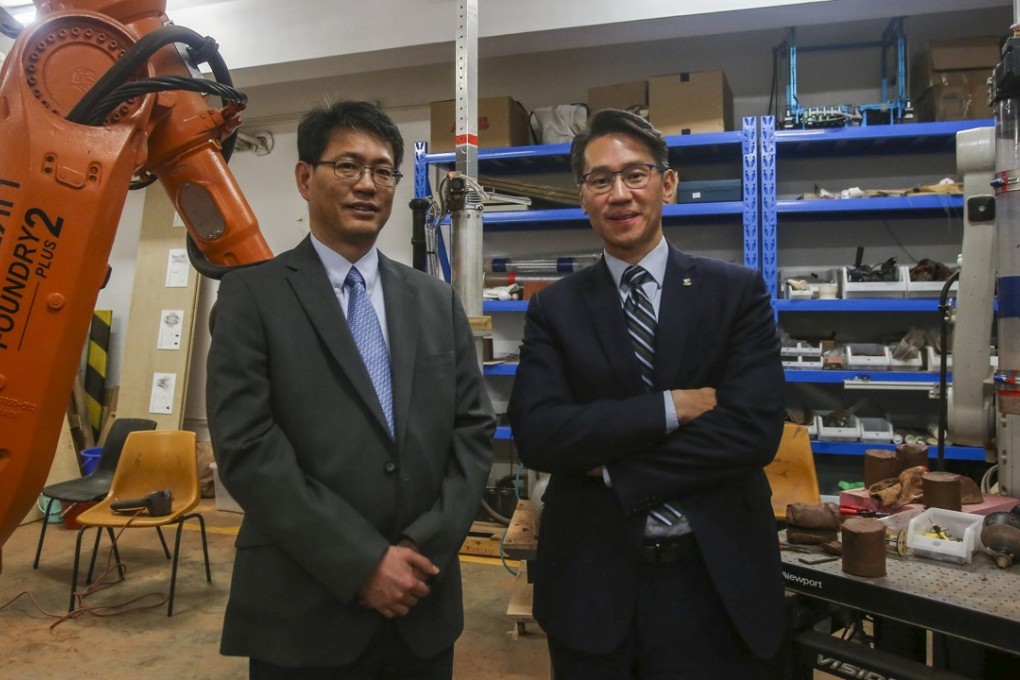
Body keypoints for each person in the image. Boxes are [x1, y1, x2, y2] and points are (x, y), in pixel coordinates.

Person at [206, 100, 495, 678]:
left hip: (423, 602)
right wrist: (363, 563)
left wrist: (420, 552)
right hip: (303, 609)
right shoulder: (252, 297)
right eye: (348, 166)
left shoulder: (433, 301)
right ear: (304, 177)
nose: (368, 185)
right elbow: (247, 448)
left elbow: (473, 431)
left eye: (383, 170)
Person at [508, 108, 787, 679]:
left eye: (636, 174)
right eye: (600, 179)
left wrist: (613, 470)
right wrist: (671, 408)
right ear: (581, 196)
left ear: (669, 183)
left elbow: (752, 432)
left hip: (714, 581)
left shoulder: (735, 293)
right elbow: (538, 435)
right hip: (591, 585)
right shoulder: (553, 309)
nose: (620, 194)